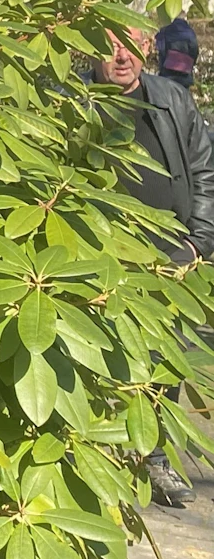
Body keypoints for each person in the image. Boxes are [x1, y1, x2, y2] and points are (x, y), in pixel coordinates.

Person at [93, 25, 214, 506]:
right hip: (105, 256)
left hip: (173, 255)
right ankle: (101, 462)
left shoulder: (172, 99)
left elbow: (206, 168)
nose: (121, 56)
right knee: (107, 358)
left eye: (131, 44)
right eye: (109, 44)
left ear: (148, 48)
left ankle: (155, 459)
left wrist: (199, 242)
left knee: (167, 360)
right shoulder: (74, 101)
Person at [156, 14, 200, 90]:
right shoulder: (190, 32)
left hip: (168, 70)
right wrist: (191, 64)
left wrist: (163, 63)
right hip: (185, 70)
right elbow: (194, 49)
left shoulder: (166, 30)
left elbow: (161, 48)